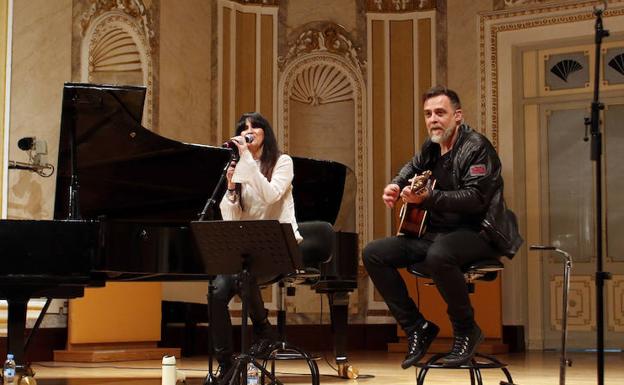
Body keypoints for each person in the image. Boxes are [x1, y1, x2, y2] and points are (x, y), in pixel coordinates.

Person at [363, 86, 522, 368]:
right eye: (428, 114)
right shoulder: (432, 147)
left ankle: (466, 329)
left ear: (457, 116)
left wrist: (428, 198)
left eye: (440, 112)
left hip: (478, 232)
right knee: (374, 252)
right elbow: (410, 167)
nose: (433, 119)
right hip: (434, 234)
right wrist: (395, 185)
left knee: (439, 255)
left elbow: (476, 199)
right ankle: (417, 327)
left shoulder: (476, 147)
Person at [213, 112, 303, 378]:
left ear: (266, 133)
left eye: (254, 127)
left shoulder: (282, 162)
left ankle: (264, 328)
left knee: (245, 275)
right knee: (216, 290)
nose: (247, 131)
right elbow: (231, 220)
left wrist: (248, 164)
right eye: (243, 127)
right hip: (247, 252)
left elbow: (271, 194)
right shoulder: (241, 167)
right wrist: (230, 189)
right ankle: (227, 364)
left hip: (280, 249)